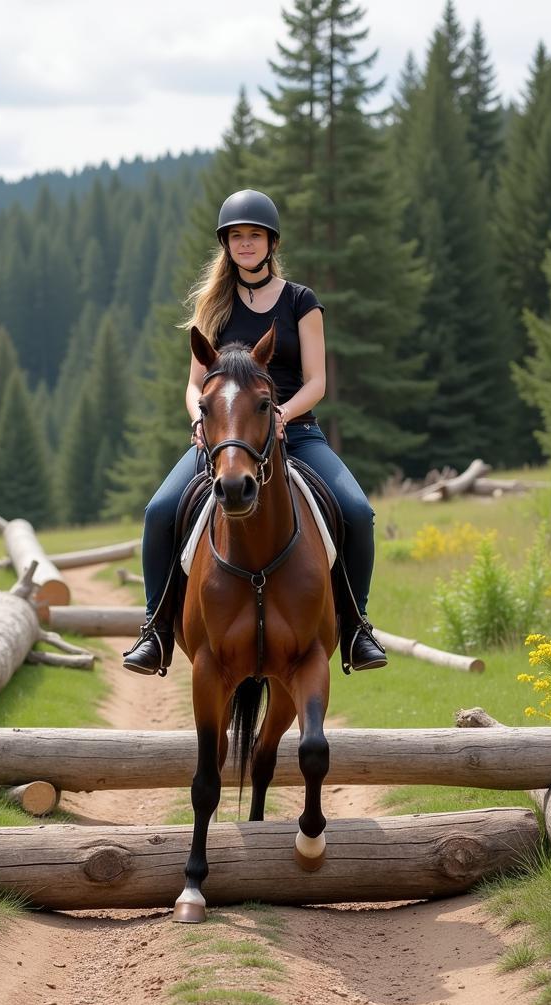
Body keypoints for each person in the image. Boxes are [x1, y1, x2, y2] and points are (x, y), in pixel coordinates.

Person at [122, 188, 387, 676]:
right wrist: (199, 419)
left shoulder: (300, 301)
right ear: (227, 244)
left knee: (358, 511)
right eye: (237, 236)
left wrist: (282, 413)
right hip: (225, 437)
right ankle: (155, 630)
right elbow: (194, 383)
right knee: (159, 511)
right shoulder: (213, 306)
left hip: (296, 432)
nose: (246, 244)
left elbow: (317, 382)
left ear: (271, 242)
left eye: (255, 235)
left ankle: (355, 628)